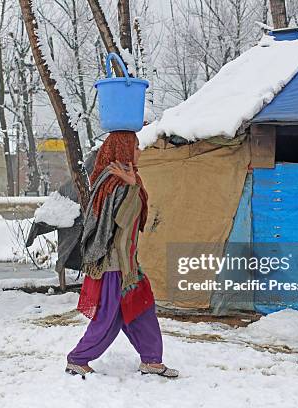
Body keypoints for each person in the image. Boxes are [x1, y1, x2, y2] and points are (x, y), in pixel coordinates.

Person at [66, 131, 179, 379]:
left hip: (127, 263)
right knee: (109, 318)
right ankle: (78, 359)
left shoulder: (123, 181)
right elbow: (124, 221)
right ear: (124, 151)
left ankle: (152, 360)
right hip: (115, 265)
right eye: (136, 147)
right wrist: (132, 186)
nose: (140, 152)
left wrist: (134, 184)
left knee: (140, 309)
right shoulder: (114, 184)